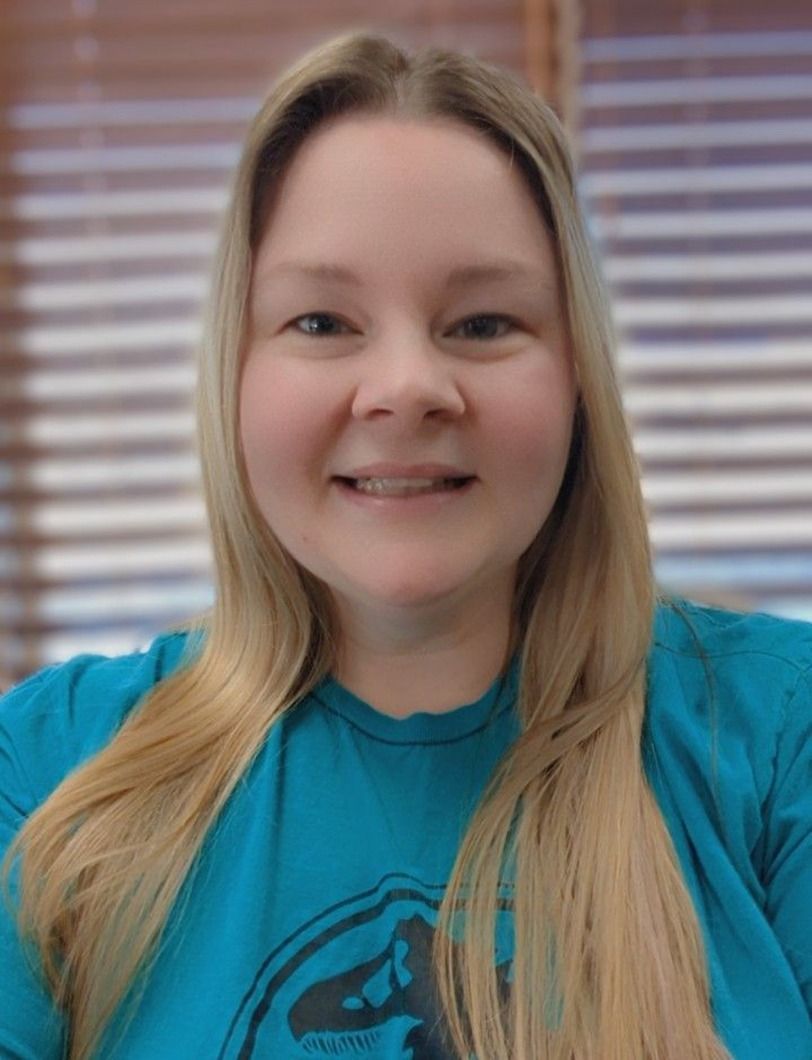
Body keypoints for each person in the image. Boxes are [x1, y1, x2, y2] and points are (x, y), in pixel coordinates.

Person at [1, 30, 810, 1060]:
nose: (405, 386)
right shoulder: (49, 771)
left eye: (480, 323)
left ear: (573, 378)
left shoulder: (783, 735)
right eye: (320, 320)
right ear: (234, 377)